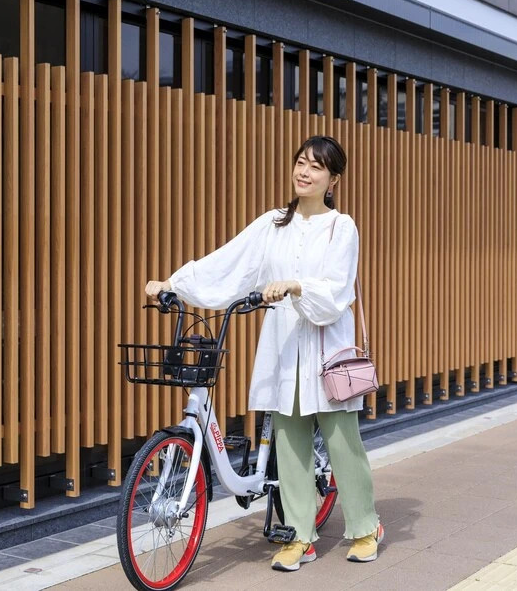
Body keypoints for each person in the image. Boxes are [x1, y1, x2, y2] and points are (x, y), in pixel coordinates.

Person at [144, 135, 382, 572]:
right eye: (300, 162)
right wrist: (174, 283)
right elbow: (228, 261)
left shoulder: (341, 227)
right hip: (284, 347)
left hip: (327, 349)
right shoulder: (272, 223)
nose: (304, 172)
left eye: (316, 166)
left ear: (333, 180)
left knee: (342, 443)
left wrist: (296, 286)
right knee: (289, 444)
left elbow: (336, 292)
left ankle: (366, 528)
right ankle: (299, 536)